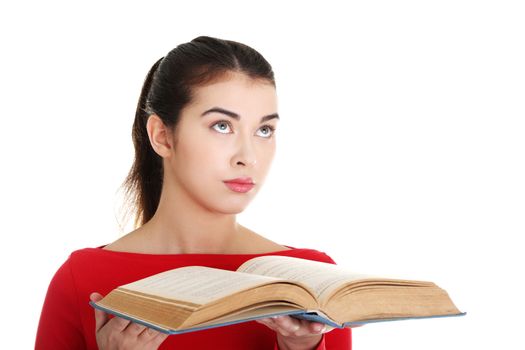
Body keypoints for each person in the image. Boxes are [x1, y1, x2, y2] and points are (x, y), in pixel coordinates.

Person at [35, 35, 353, 349]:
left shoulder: (312, 283)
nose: (248, 156)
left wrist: (301, 348)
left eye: (264, 130)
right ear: (162, 136)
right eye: (222, 126)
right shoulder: (82, 279)